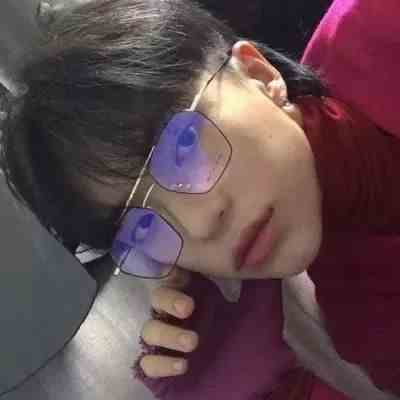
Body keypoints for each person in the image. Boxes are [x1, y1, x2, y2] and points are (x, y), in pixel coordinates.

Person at [1, 0, 400, 398]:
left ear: (258, 73)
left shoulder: (380, 21)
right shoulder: (369, 319)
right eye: (142, 227)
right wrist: (259, 388)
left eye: (184, 146)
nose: (199, 226)